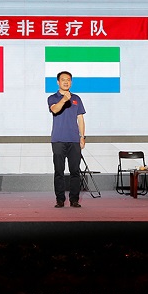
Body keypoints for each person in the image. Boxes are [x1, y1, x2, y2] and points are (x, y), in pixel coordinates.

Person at [47, 71, 86, 208]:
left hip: (74, 140)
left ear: (71, 82)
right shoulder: (53, 98)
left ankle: (74, 199)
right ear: (58, 82)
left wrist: (82, 137)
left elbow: (80, 118)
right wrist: (64, 99)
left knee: (75, 171)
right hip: (58, 140)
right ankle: (60, 199)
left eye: (68, 79)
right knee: (59, 171)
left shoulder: (76, 98)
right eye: (63, 79)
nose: (66, 82)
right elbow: (55, 110)